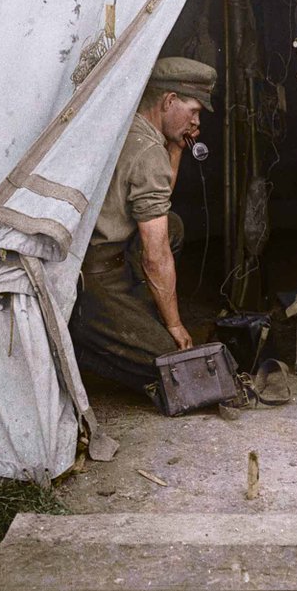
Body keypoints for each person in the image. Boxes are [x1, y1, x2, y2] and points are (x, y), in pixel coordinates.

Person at [68, 56, 216, 392]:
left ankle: (129, 313)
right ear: (168, 101)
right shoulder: (148, 152)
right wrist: (175, 324)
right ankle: (83, 339)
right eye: (192, 111)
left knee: (171, 224)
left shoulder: (130, 125)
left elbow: (157, 200)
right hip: (95, 278)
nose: (196, 121)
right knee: (174, 366)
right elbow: (155, 254)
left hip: (92, 256)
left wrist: (176, 148)